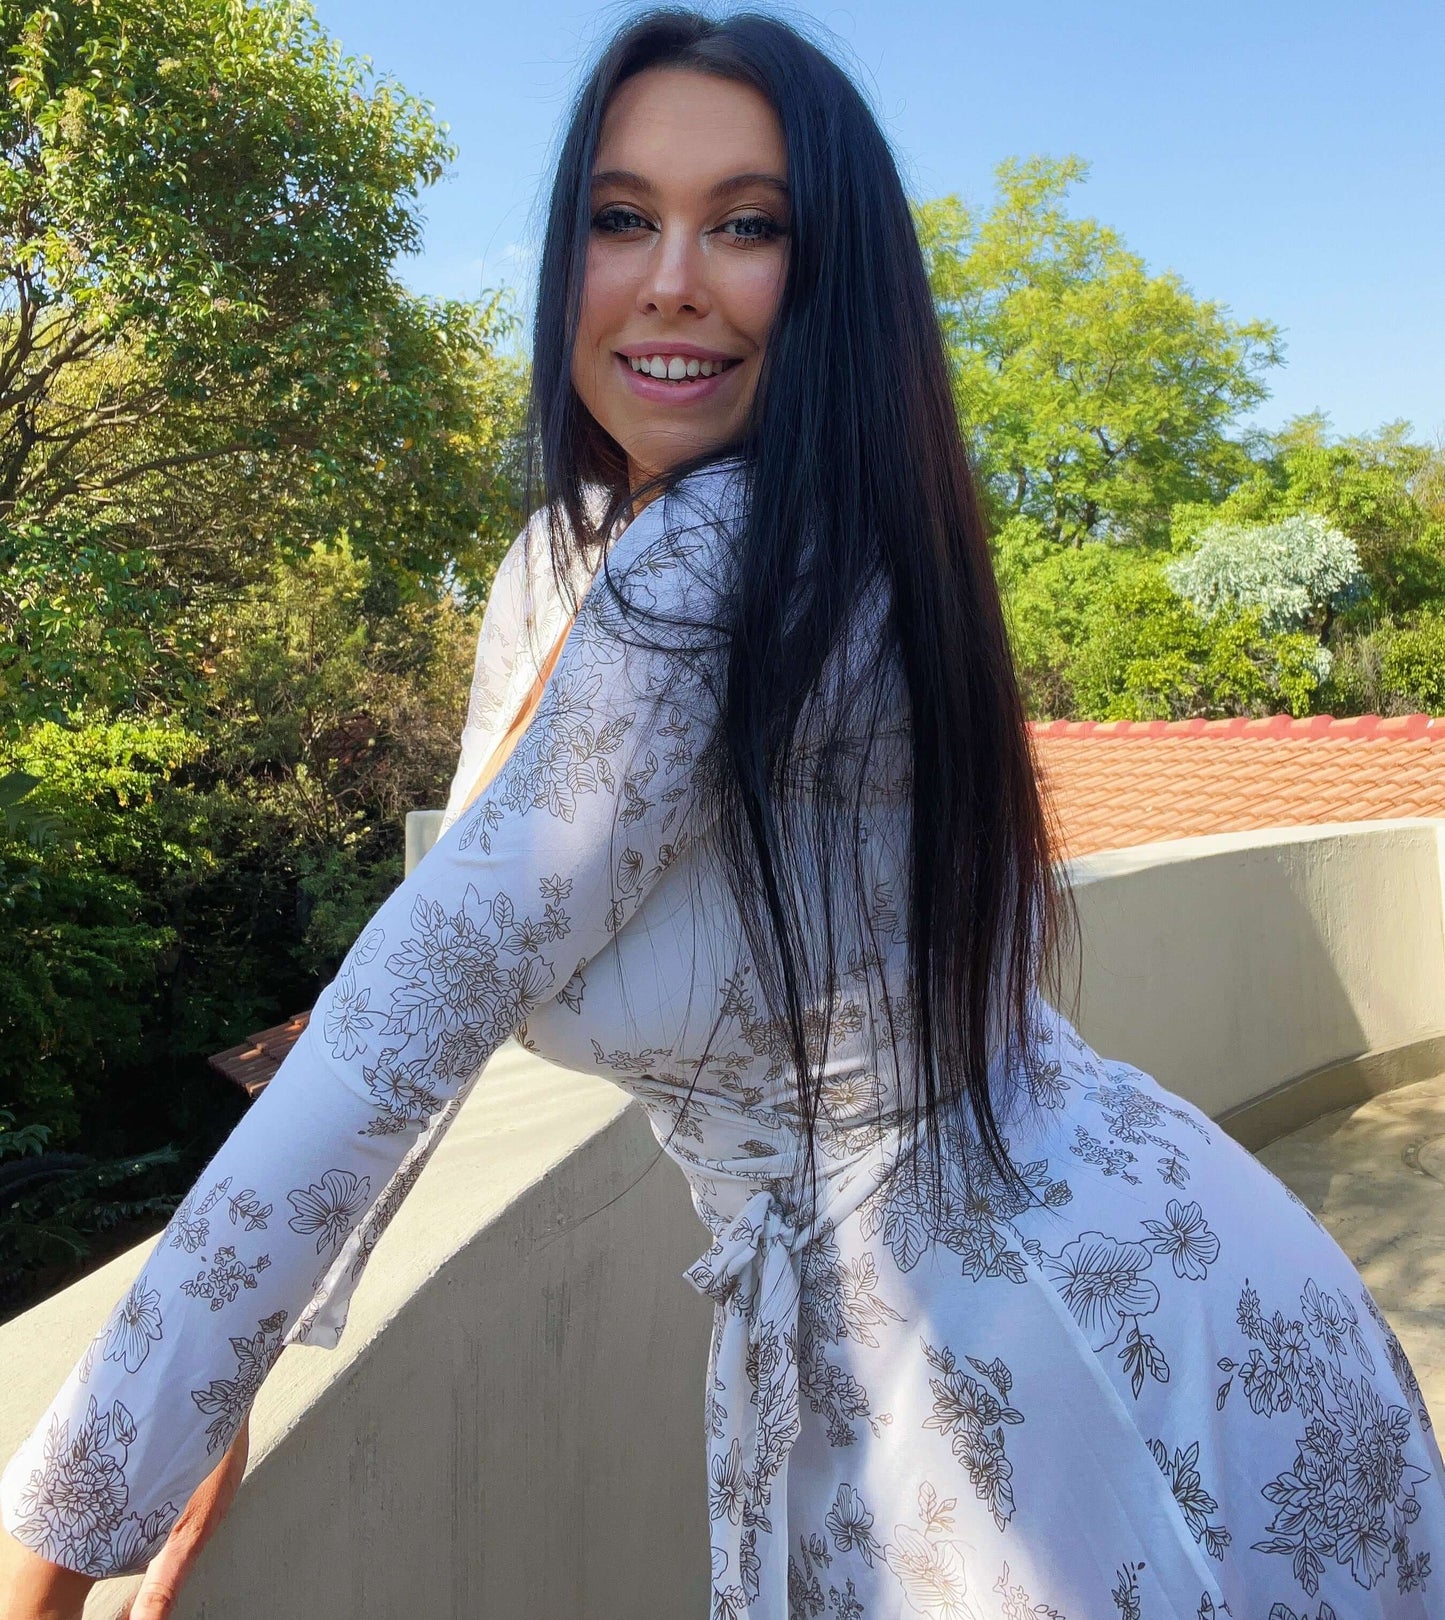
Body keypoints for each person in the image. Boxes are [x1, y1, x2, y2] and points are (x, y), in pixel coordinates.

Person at [3, 9, 1443, 1618]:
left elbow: (409, 1019)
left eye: (746, 227)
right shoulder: (591, 552)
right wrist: (231, 1375)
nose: (671, 278)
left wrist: (62, 1529)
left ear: (831, 283)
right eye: (622, 219)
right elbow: (441, 958)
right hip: (1098, 1290)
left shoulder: (725, 561)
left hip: (1029, 1373)